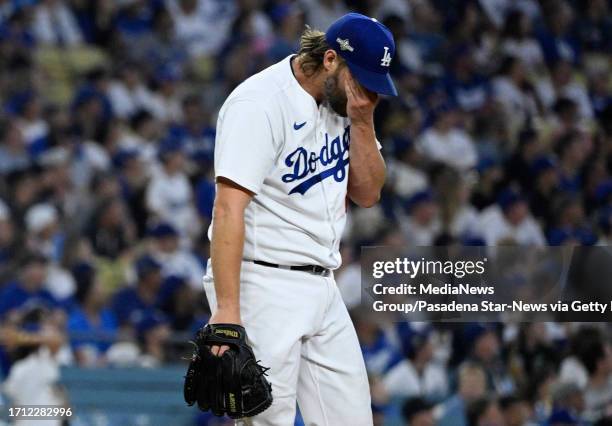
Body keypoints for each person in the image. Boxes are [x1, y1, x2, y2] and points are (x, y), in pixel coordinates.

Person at [202, 12, 396, 425]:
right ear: (329, 60)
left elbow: (368, 192)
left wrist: (363, 121)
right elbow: (227, 208)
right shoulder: (260, 103)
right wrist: (228, 308)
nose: (365, 92)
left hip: (323, 285)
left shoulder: (347, 108)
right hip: (263, 283)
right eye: (359, 79)